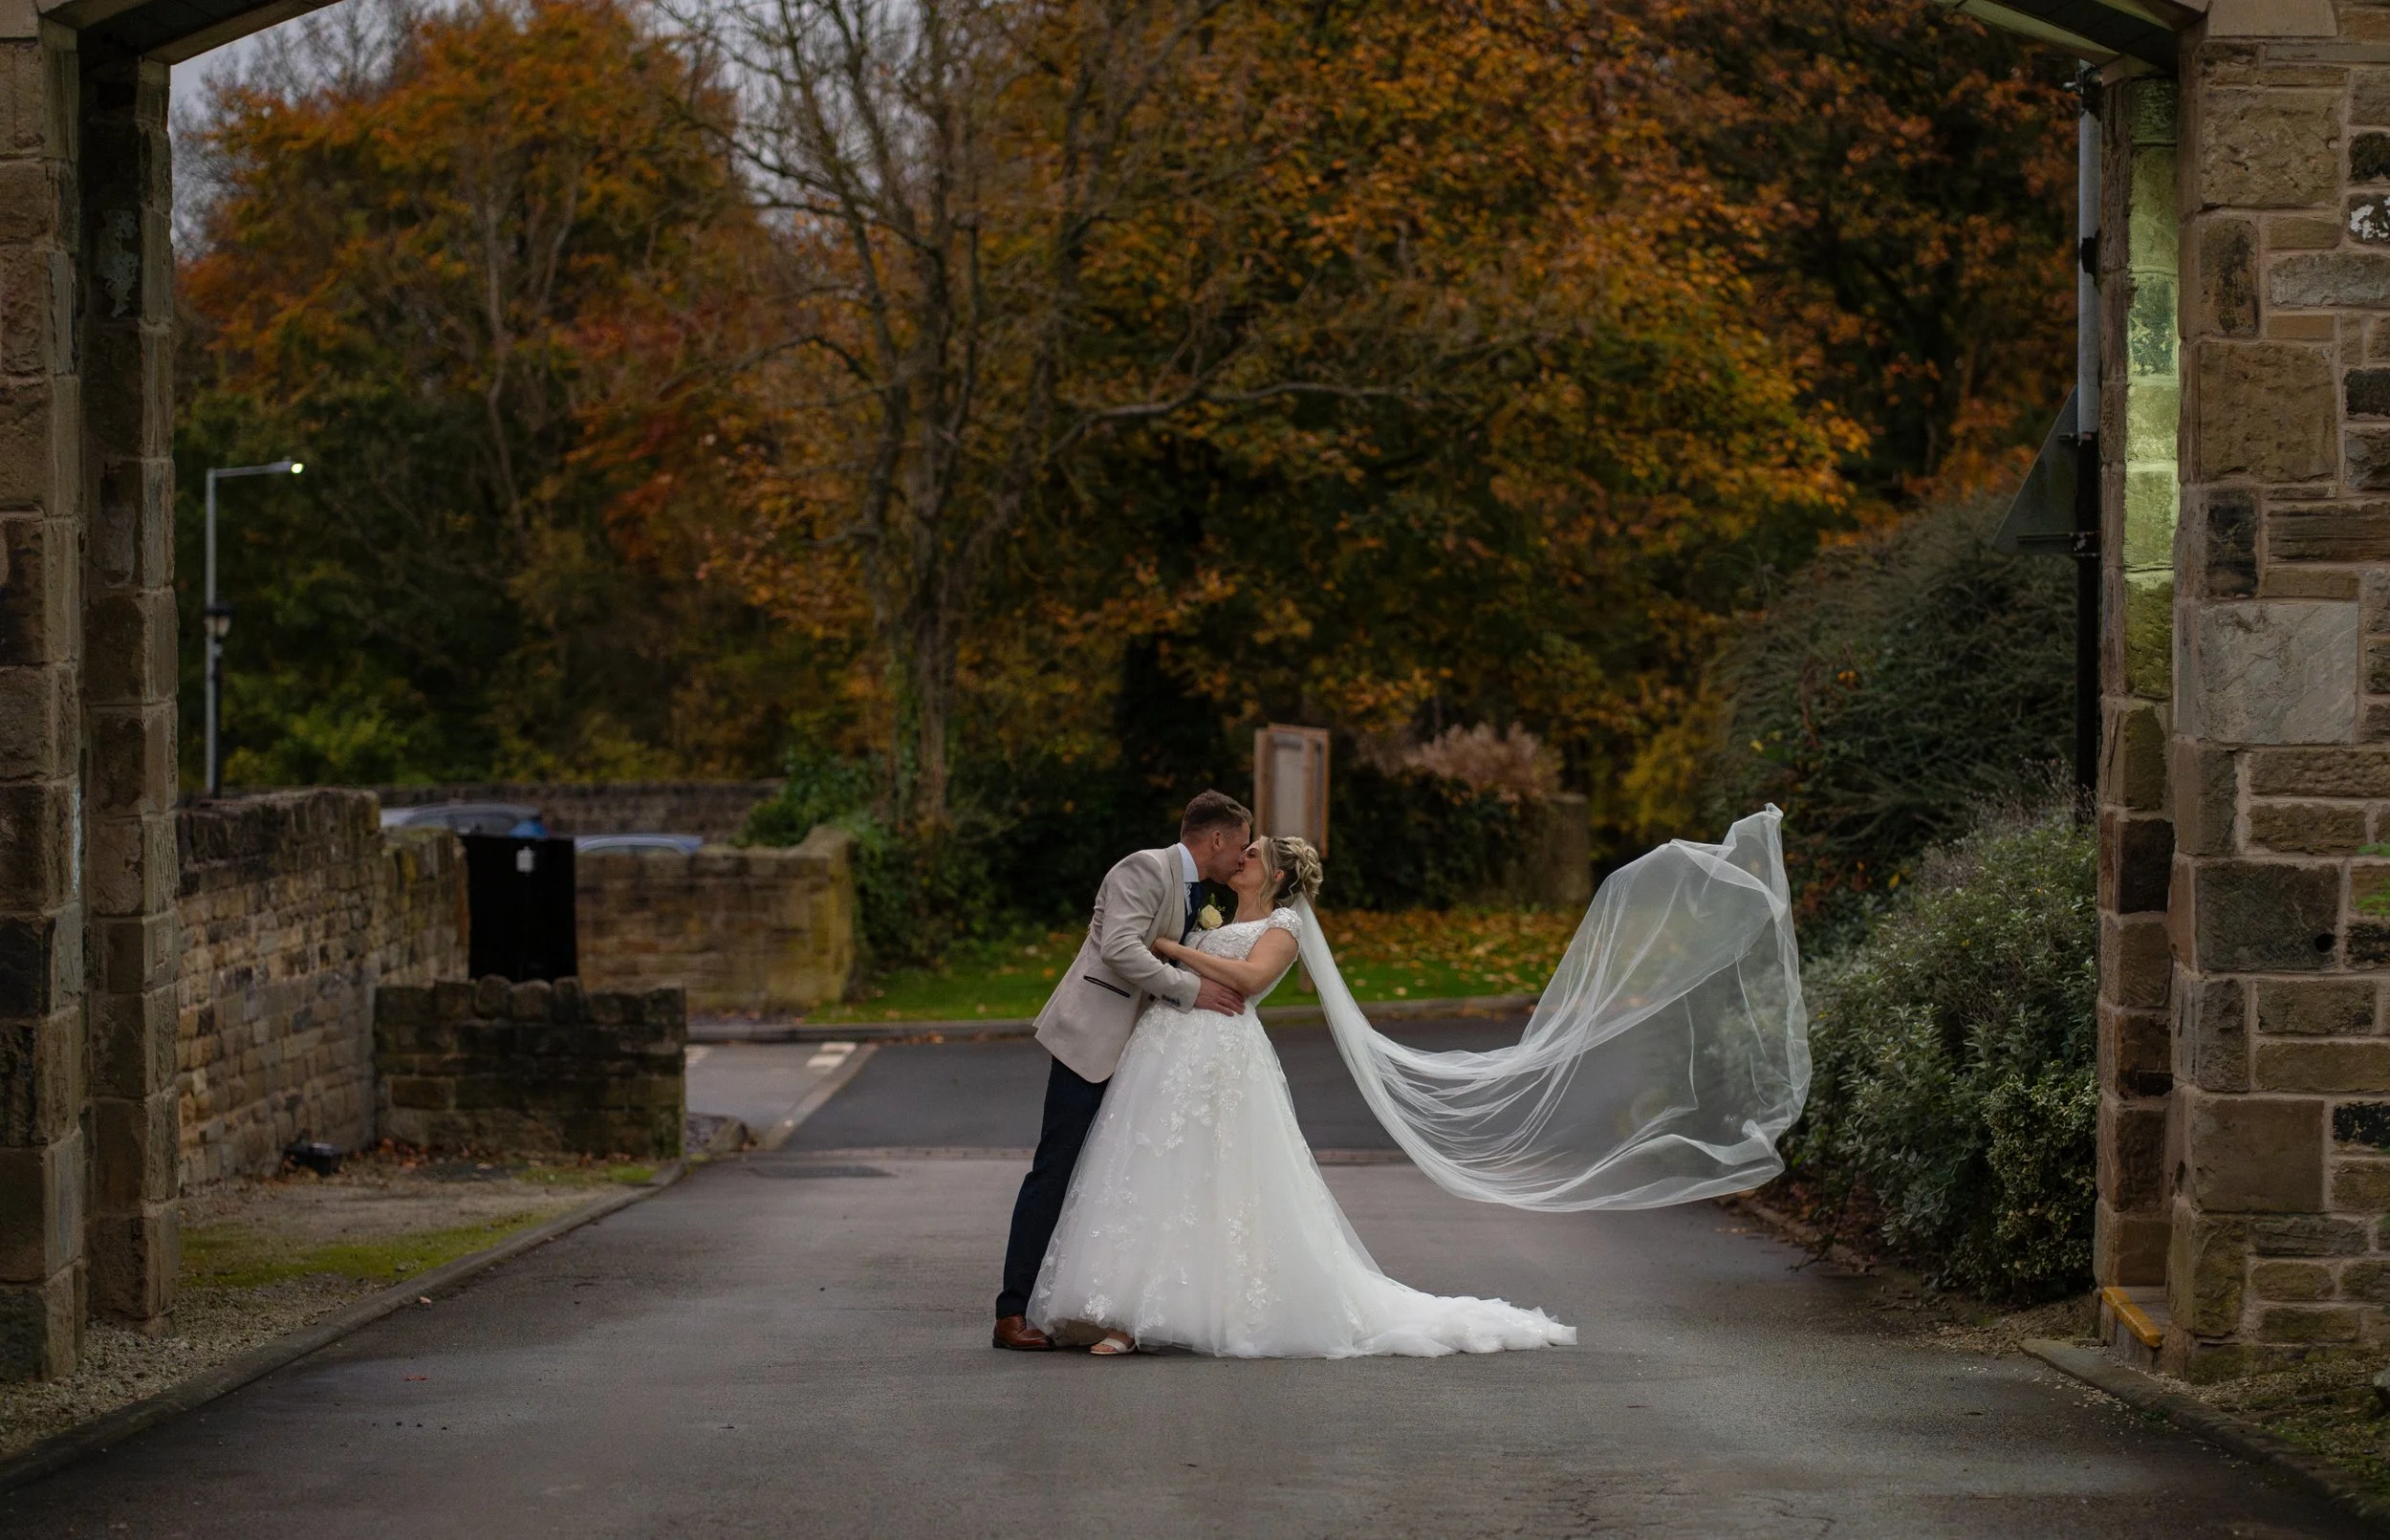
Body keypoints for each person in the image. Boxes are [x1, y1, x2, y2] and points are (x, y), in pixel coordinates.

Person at [1025, 834, 1575, 1357]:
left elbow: (1249, 977)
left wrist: (1173, 948)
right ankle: (1117, 1306)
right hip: (1163, 1051)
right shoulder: (1211, 910)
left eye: (1254, 854)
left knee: (1209, 1178)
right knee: (1144, 1169)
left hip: (1221, 1055)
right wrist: (1180, 949)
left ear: (1278, 873)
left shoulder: (1284, 924)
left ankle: (1158, 1314)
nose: (1241, 857)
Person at [990, 790, 1257, 1352]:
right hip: (1092, 1041)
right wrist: (1191, 990)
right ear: (1215, 839)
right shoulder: (1143, 867)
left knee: (1108, 1181)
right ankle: (1012, 1312)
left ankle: (1074, 1304)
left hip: (1145, 1053)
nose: (1243, 854)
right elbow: (1119, 948)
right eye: (1240, 843)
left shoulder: (1199, 893)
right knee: (1057, 1168)